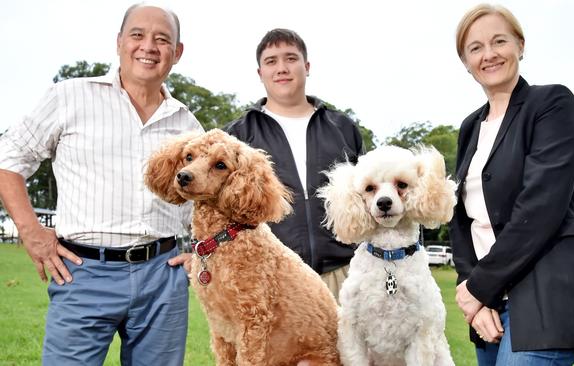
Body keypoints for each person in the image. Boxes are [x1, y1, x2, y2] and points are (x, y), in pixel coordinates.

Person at [0, 4, 202, 365]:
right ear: (120, 42)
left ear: (178, 52)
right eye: (137, 35)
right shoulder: (70, 97)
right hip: (83, 271)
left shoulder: (188, 125)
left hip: (163, 276)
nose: (148, 47)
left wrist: (204, 252)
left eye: (162, 39)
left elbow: (208, 203)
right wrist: (31, 232)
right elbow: (7, 161)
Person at [450, 4, 574, 365]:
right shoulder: (471, 126)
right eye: (475, 48)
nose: (489, 54)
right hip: (488, 306)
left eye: (499, 41)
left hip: (543, 299)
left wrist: (477, 287)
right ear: (466, 62)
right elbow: (462, 220)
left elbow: (540, 209)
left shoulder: (552, 103)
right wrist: (475, 294)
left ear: (520, 45)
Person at [225, 28, 364, 302]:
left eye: (290, 58)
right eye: (271, 61)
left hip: (345, 272)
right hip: (271, 274)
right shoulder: (236, 138)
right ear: (260, 72)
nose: (281, 68)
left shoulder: (343, 128)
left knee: (348, 347)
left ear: (307, 66)